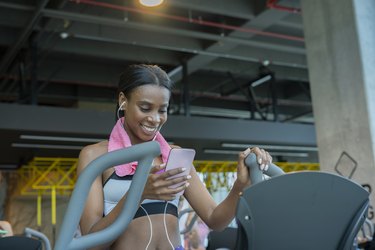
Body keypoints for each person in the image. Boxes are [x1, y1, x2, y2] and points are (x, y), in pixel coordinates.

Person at [78, 64, 272, 250]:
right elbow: (91, 243)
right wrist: (139, 192)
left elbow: (215, 219)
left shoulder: (174, 155)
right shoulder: (95, 156)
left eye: (162, 110)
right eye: (145, 108)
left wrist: (240, 185)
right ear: (123, 100)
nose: (155, 118)